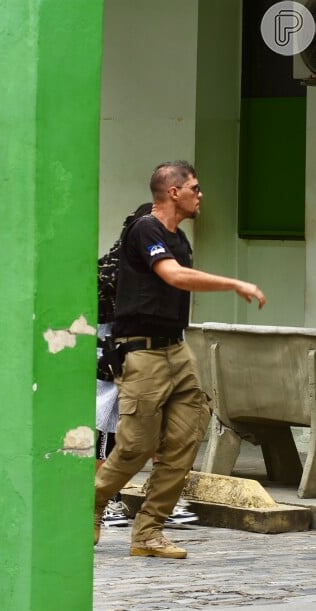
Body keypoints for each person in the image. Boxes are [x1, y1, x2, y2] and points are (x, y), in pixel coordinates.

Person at [94, 161, 266, 558]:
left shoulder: (180, 237)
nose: (200, 194)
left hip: (176, 348)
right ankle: (90, 501)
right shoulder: (145, 229)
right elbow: (172, 276)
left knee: (185, 439)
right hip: (142, 352)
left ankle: (148, 533)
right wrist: (234, 283)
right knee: (136, 445)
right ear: (174, 192)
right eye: (195, 187)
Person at [96, 203, 198, 529]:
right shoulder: (116, 267)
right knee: (113, 431)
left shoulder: (170, 257)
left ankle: (162, 502)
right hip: (120, 357)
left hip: (162, 357)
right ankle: (105, 501)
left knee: (169, 430)